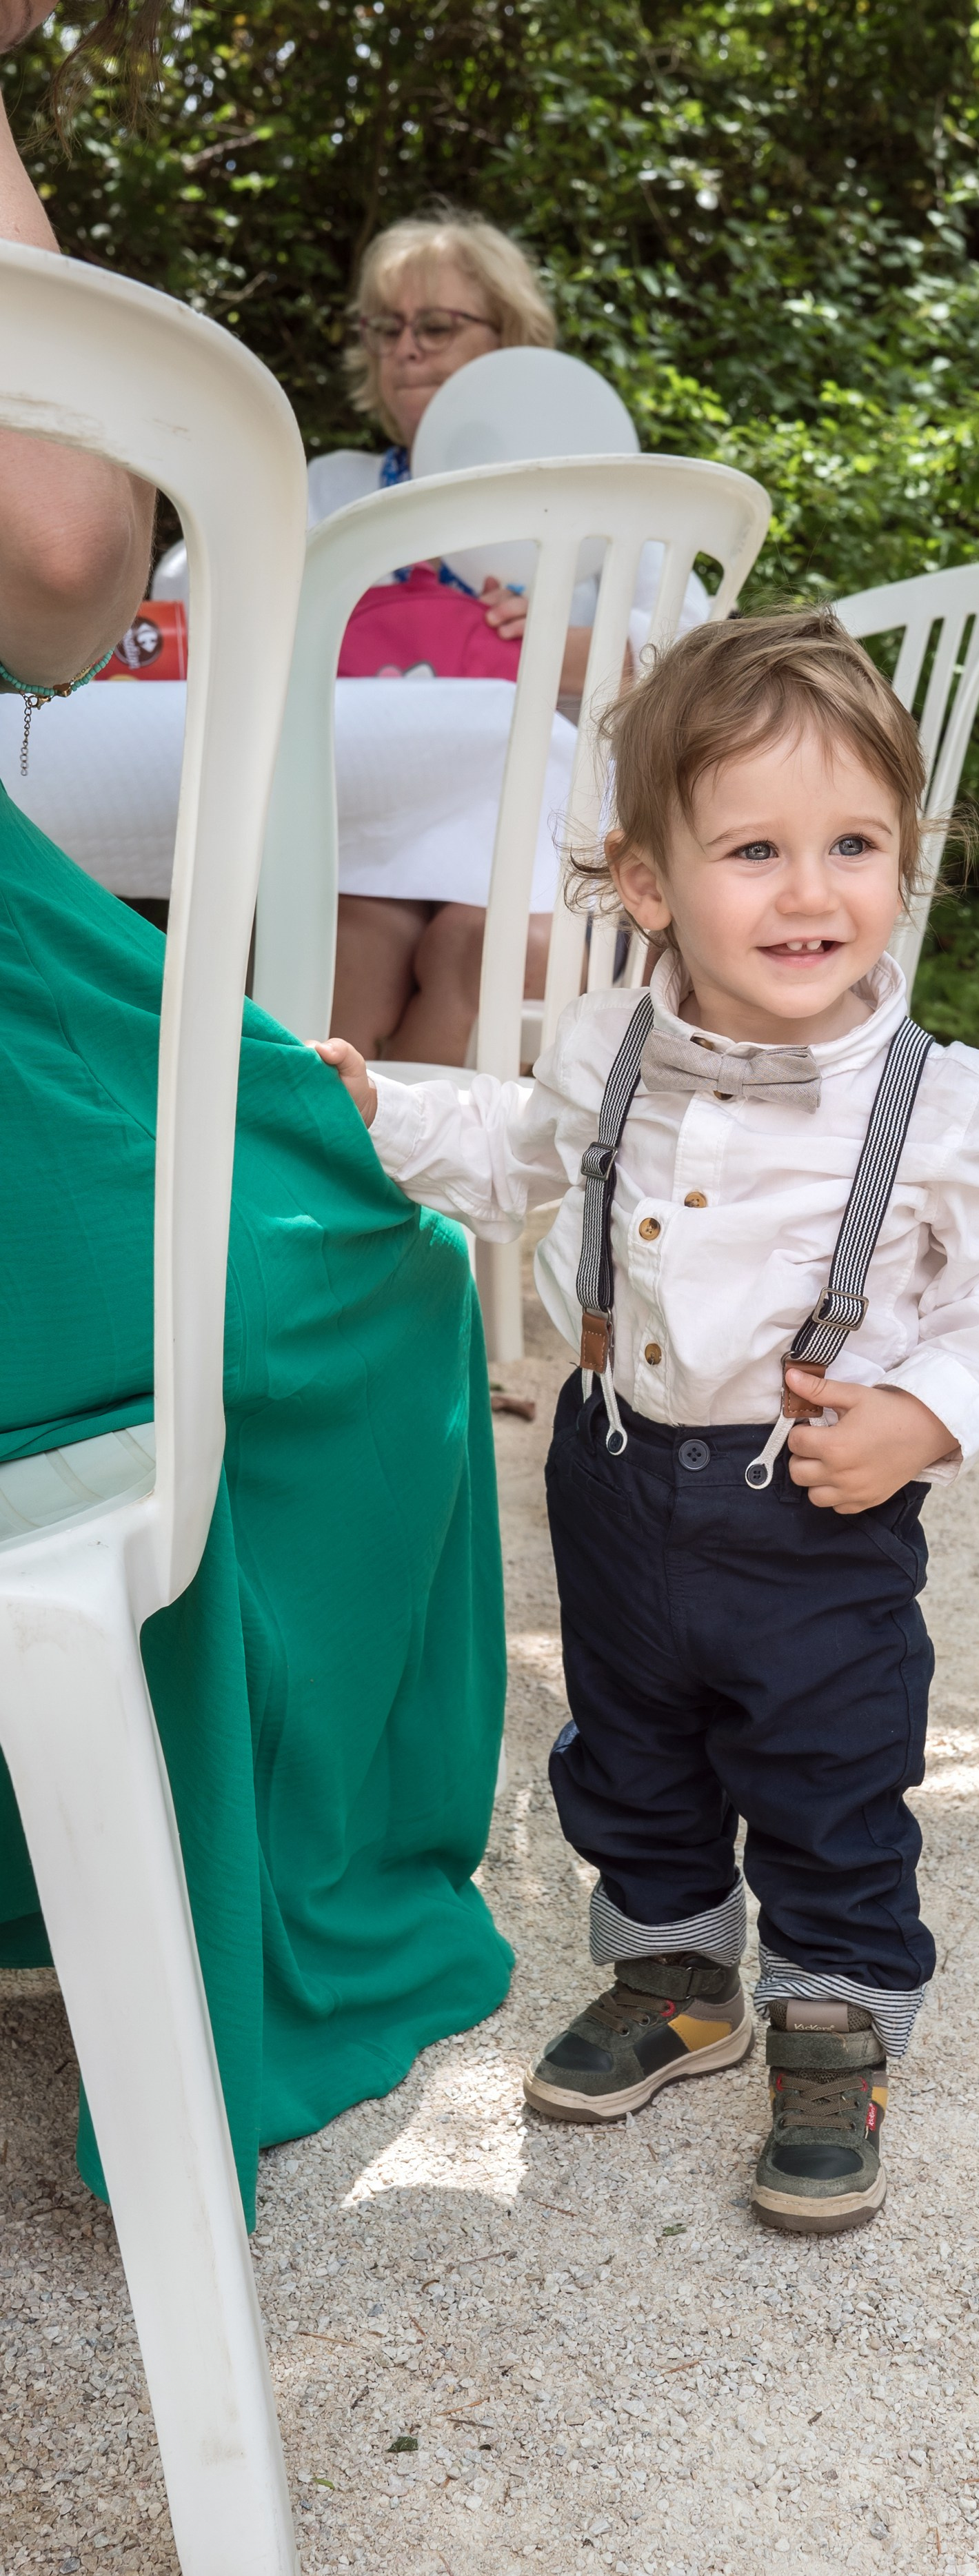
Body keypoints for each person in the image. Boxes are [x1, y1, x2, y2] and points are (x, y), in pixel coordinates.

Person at [316, 609, 979, 2233]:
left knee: (825, 1761)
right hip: (610, 1473)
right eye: (754, 849)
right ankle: (673, 1969)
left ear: (901, 861)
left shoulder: (938, 1094)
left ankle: (834, 2013)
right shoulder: (611, 1046)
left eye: (852, 844)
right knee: (633, 1742)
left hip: (812, 1504)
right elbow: (517, 1160)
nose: (811, 891)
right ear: (652, 884)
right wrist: (384, 1108)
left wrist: (922, 1413)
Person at [0, 13, 512, 2220]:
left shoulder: (480, 487)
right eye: (388, 325)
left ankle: (384, 1099)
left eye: (441, 327)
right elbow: (61, 554)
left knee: (316, 1023)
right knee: (350, 1246)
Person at [323, 212, 706, 1064]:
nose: (404, 350)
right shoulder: (334, 493)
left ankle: (420, 1182)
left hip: (554, 852)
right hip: (374, 826)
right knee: (349, 938)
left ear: (513, 342)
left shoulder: (598, 499)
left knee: (470, 947)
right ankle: (317, 1180)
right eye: (384, 329)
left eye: (435, 326)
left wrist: (569, 650)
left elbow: (706, 666)